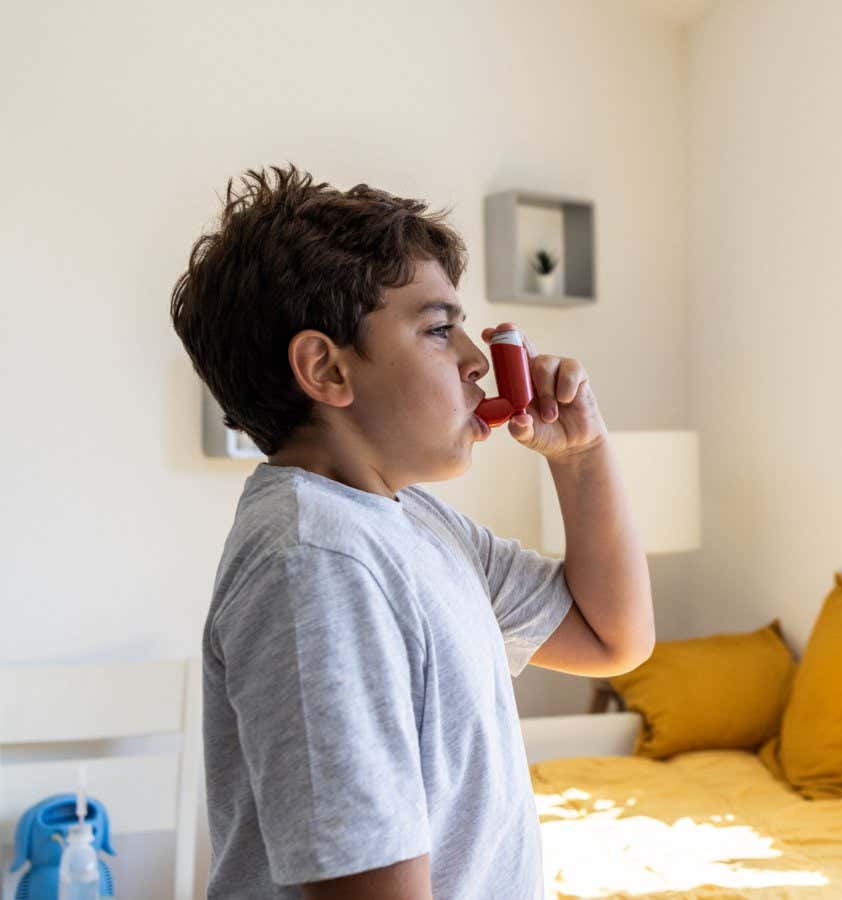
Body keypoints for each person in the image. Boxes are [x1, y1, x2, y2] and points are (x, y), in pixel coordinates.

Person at [169, 163, 654, 899]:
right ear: (326, 370)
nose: (477, 361)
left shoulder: (415, 523)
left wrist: (582, 456)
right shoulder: (318, 563)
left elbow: (612, 639)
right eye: (439, 329)